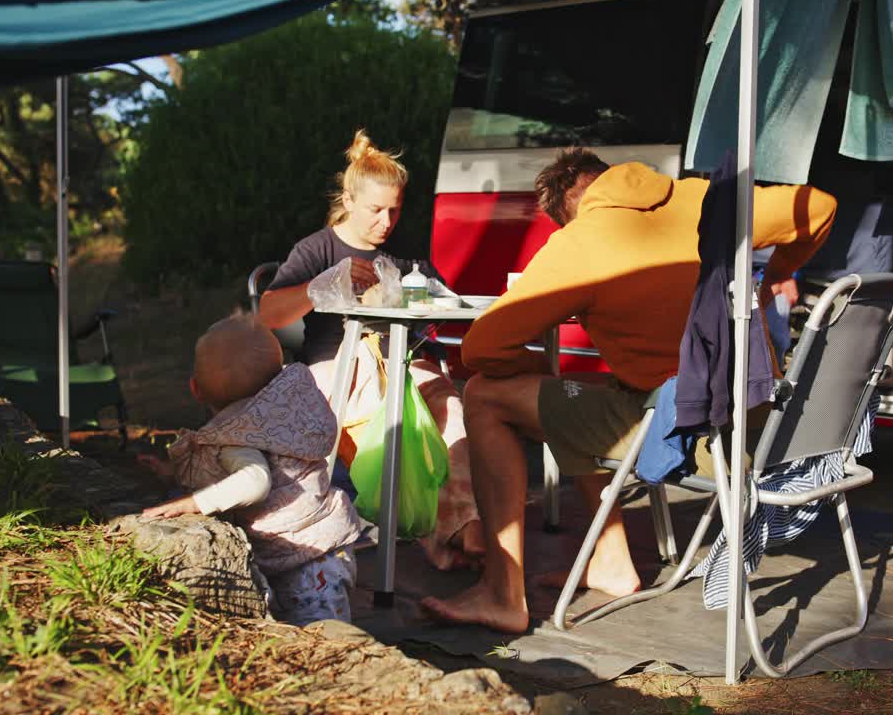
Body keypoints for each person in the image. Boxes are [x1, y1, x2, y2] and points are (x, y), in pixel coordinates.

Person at [420, 147, 837, 633]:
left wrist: (529, 369)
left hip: (703, 438)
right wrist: (782, 269)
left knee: (486, 397)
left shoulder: (581, 241)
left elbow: (481, 348)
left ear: (567, 214)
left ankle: (501, 593)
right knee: (579, 396)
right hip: (769, 424)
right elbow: (821, 206)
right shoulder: (700, 197)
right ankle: (612, 561)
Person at [257, 130, 481, 571]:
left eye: (395, 210)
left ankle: (457, 521)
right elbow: (269, 312)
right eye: (376, 210)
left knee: (451, 407)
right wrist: (326, 284)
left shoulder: (401, 253)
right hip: (337, 365)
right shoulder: (318, 248)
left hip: (402, 359)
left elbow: (443, 302)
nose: (386, 222)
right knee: (390, 416)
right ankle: (439, 530)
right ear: (349, 199)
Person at [139, 315, 362, 624]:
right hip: (323, 549)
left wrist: (195, 503)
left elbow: (253, 482)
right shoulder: (281, 416)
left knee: (325, 638)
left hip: (309, 566)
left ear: (195, 389)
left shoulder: (236, 435)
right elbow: (221, 475)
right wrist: (171, 473)